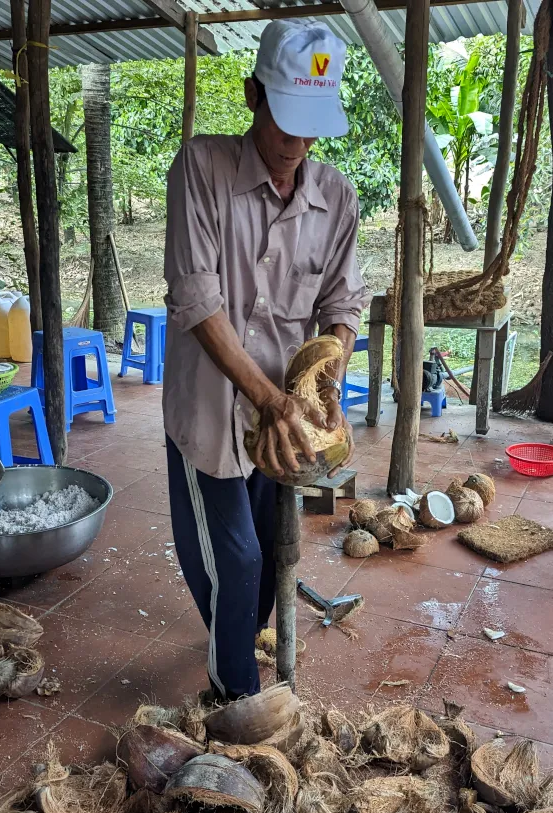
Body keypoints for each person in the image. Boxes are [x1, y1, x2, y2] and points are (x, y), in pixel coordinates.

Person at [163, 19, 371, 701]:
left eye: (313, 131)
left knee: (258, 559)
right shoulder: (203, 167)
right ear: (253, 94)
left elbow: (343, 300)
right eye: (287, 126)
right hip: (209, 407)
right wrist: (272, 399)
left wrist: (326, 370)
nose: (299, 145)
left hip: (282, 416)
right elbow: (197, 298)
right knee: (236, 555)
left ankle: (236, 632)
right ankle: (236, 697)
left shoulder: (335, 196)